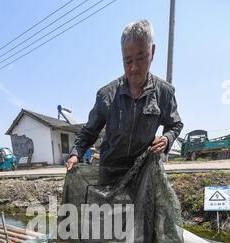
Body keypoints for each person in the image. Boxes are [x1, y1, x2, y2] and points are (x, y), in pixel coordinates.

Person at [66, 20, 183, 172]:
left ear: (152, 52)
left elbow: (175, 124)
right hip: (109, 171)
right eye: (127, 61)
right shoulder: (106, 95)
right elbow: (89, 132)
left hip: (142, 173)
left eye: (140, 58)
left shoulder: (164, 93)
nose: (134, 68)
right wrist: (76, 154)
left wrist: (167, 138)